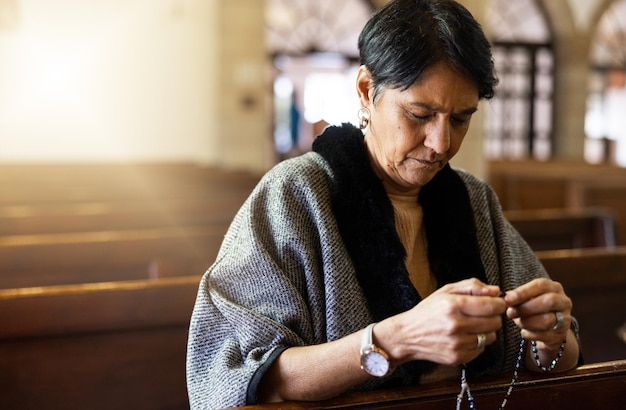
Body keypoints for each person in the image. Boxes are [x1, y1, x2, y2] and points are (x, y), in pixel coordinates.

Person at [186, 0, 582, 408]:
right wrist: (398, 338)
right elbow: (244, 378)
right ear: (365, 90)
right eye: (418, 114)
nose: (441, 144)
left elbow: (557, 359)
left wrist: (551, 338)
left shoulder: (474, 200)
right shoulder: (295, 196)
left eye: (461, 119)